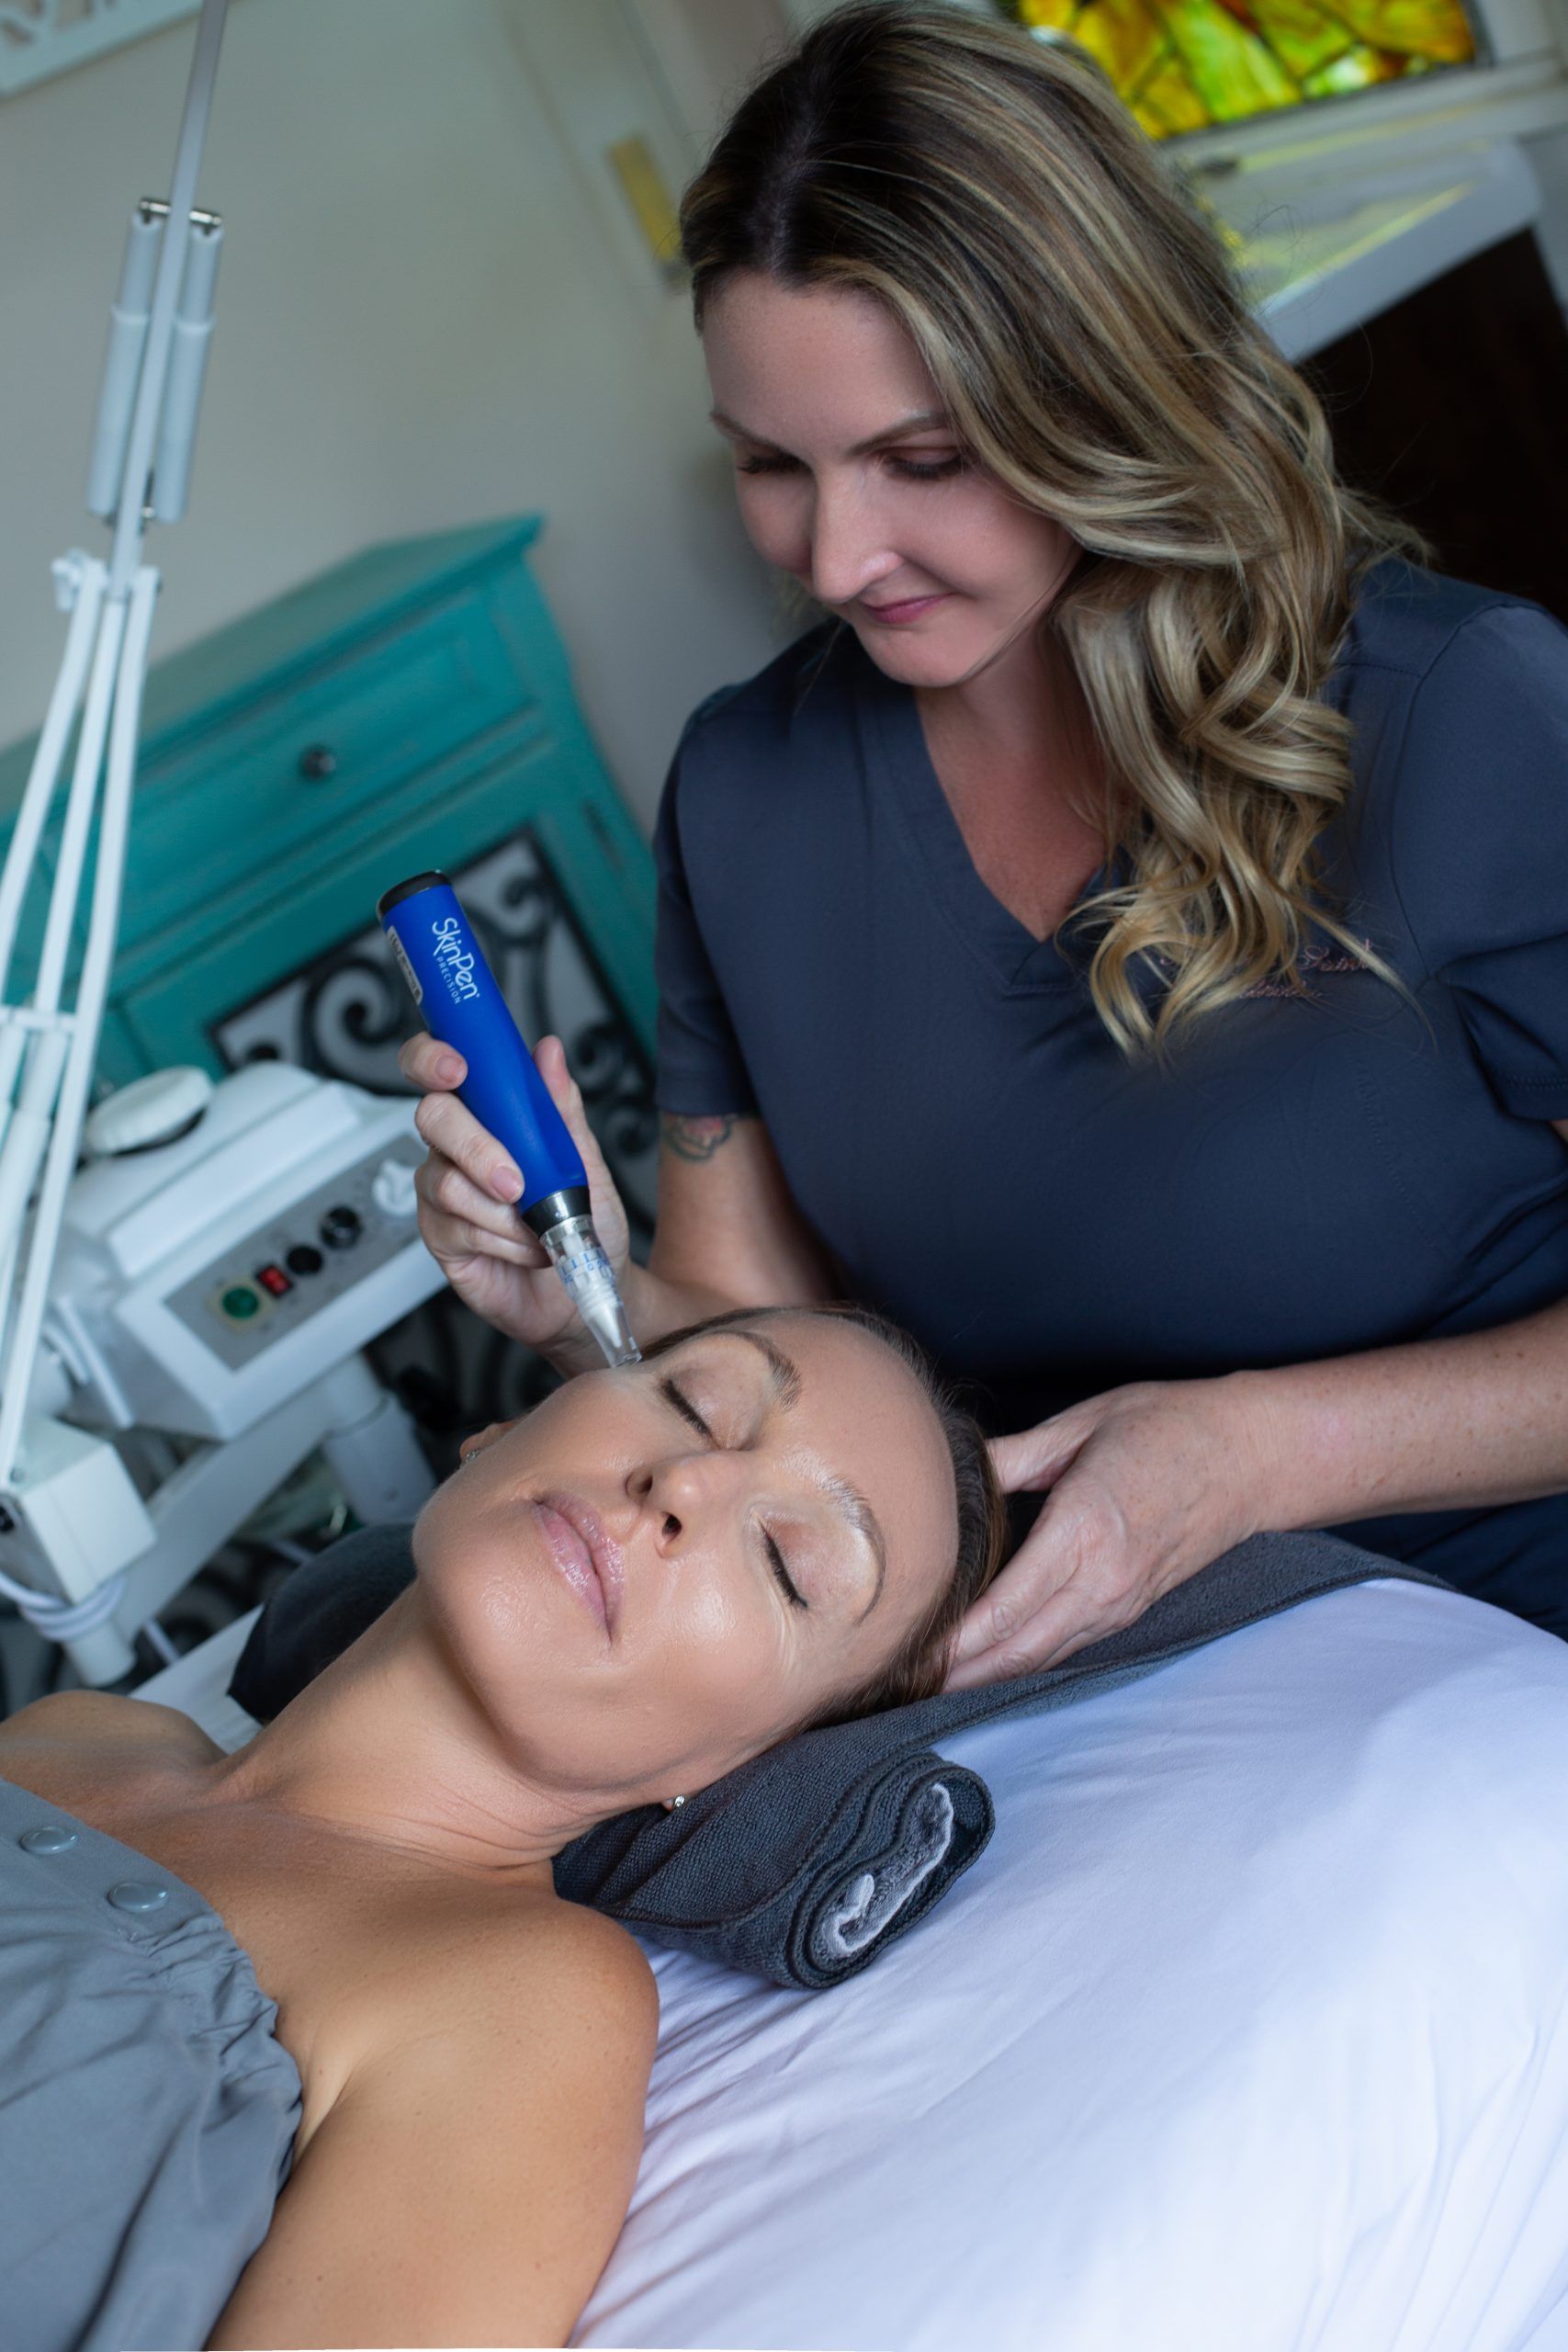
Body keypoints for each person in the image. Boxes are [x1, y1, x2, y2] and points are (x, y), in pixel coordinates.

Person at [400, 0, 1568, 1686]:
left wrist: (1261, 1457)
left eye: (921, 459)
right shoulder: (748, 793)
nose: (836, 555)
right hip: (1076, 1682)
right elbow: (766, 1357)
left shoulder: (1459, 715)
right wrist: (568, 1301)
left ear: (1103, 391)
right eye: (770, 466)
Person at [0, 1303, 1003, 2352]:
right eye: (691, 1402)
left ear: (733, 1765)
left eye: (790, 1563)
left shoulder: (528, 1996)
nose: (688, 1481)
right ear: (500, 1430)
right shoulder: (77, 1734)